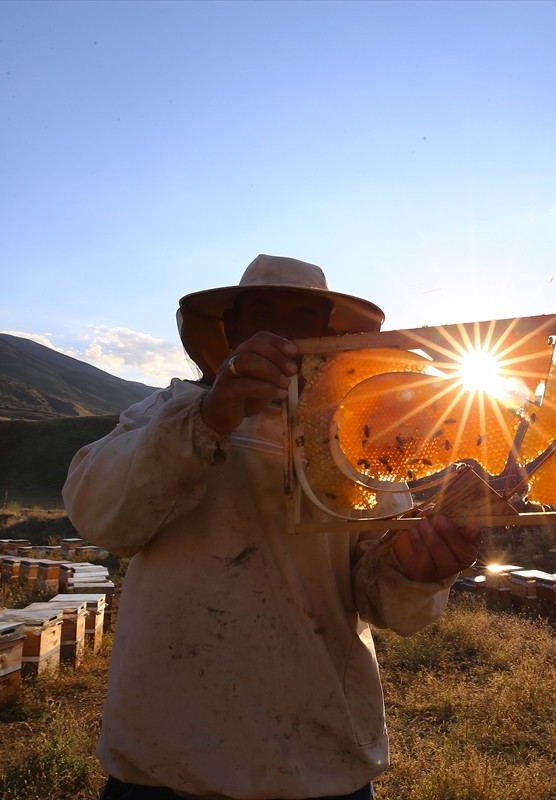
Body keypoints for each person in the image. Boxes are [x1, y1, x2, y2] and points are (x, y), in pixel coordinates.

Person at [63, 254, 482, 800]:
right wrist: (211, 416)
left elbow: (381, 595)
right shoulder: (163, 413)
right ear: (233, 329)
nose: (281, 330)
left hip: (318, 762)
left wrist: (415, 569)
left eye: (302, 317)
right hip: (167, 757)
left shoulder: (359, 443)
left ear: (328, 334)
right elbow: (100, 516)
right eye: (262, 312)